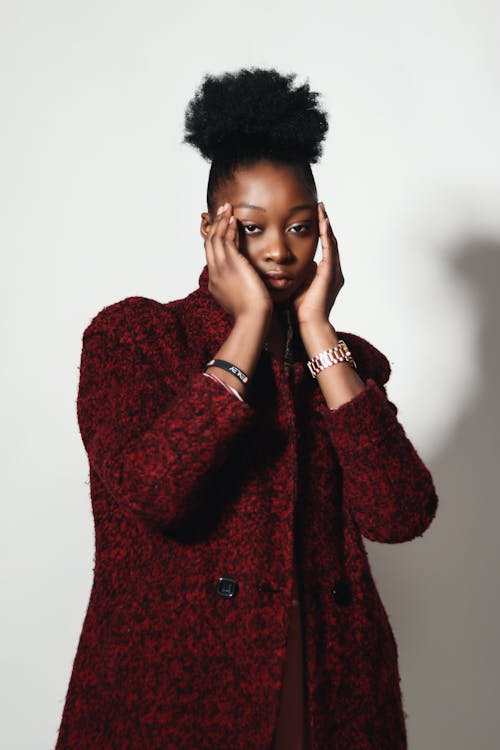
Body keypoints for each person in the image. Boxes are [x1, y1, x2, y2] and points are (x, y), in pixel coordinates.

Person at [55, 67, 439, 749]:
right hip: (176, 695)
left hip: (331, 690)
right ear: (212, 228)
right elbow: (155, 491)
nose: (278, 249)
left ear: (323, 230)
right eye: (253, 226)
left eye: (298, 226)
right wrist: (248, 326)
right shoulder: (135, 338)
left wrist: (319, 333)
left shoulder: (350, 365)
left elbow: (400, 513)